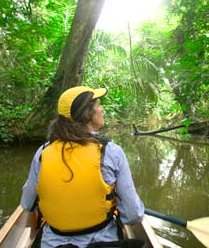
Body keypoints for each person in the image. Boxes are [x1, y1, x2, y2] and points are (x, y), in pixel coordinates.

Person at [20, 86, 144, 248]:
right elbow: (133, 214)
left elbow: (27, 204)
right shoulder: (111, 151)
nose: (102, 110)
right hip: (103, 242)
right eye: (99, 105)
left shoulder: (43, 152)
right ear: (88, 114)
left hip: (53, 243)